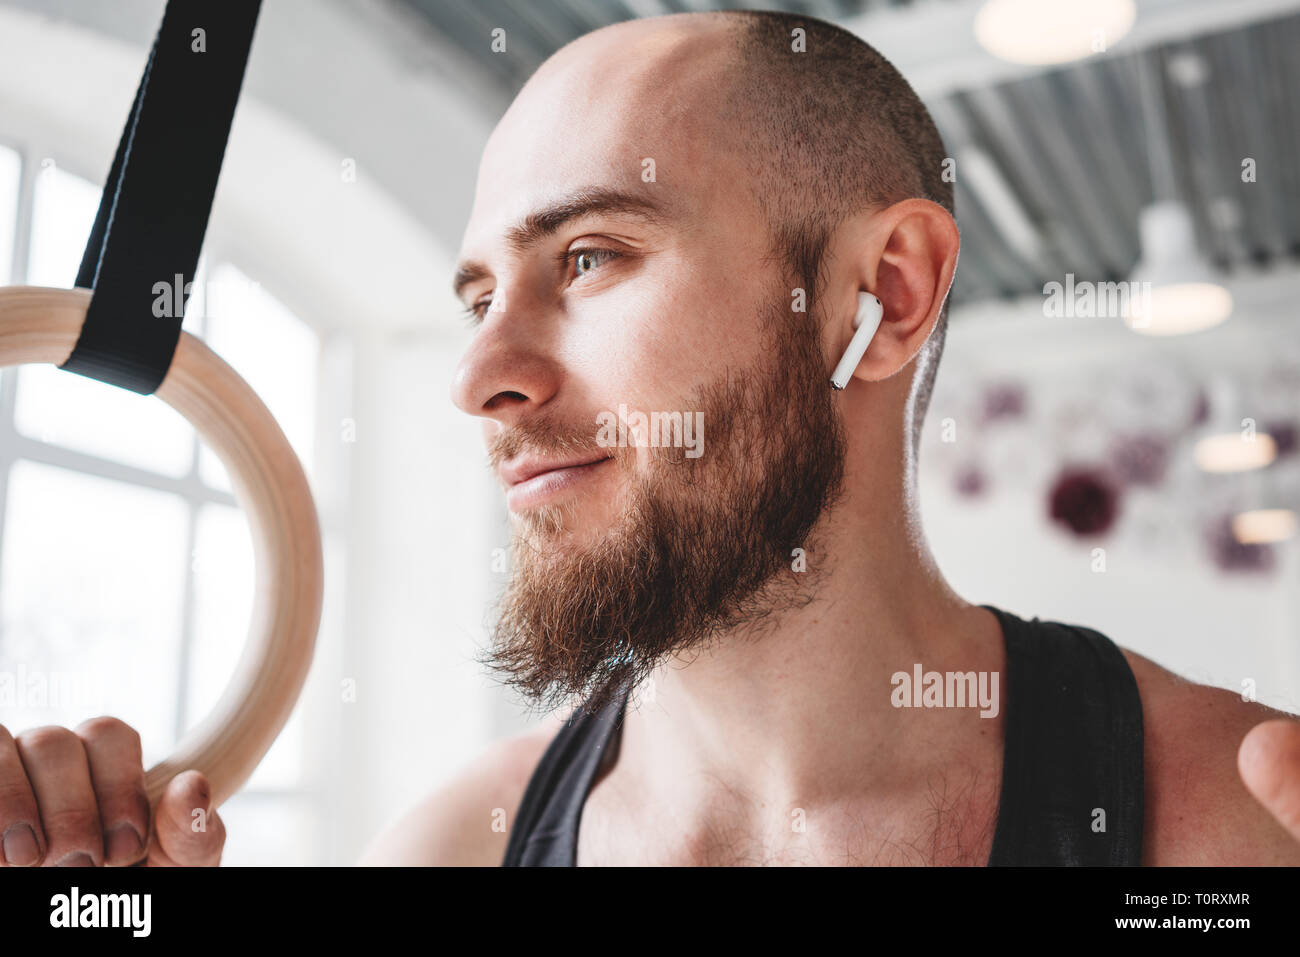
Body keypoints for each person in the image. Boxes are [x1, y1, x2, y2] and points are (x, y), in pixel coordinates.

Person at [1, 11, 1296, 868]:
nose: (481, 378)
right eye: (476, 298)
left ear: (884, 294)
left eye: (589, 254)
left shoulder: (1237, 821)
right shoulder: (455, 846)